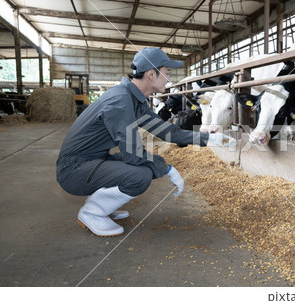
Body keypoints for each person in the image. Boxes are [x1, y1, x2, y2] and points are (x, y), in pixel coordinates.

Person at [56, 47, 236, 237]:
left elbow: (166, 131)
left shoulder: (133, 99)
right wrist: (166, 168)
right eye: (167, 73)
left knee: (140, 168)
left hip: (92, 161)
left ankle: (101, 203)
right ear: (151, 74)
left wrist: (210, 138)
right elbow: (134, 154)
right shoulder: (120, 101)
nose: (169, 79)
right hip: (73, 170)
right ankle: (92, 212)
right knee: (139, 175)